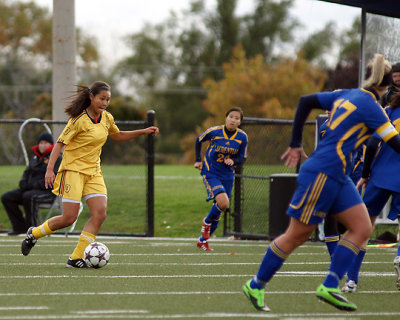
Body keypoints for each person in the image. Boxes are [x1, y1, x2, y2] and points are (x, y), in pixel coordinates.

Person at [242, 53, 400, 312]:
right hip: (323, 172)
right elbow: (394, 144)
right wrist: (294, 143)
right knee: (297, 234)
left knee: (361, 226)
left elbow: (305, 101)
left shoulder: (348, 94)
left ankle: (329, 284)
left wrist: (295, 141)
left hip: (338, 175)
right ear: (386, 85)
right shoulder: (373, 108)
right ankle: (256, 284)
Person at [20, 81, 159, 268]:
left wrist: (143, 131)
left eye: (108, 100)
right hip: (73, 172)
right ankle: (34, 234)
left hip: (94, 173)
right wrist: (49, 169)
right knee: (68, 218)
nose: (104, 103)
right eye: (102, 98)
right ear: (91, 97)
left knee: (100, 214)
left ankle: (76, 257)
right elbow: (59, 144)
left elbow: (117, 135)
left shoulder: (107, 118)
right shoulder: (78, 120)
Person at [342, 91, 400, 293]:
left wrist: (366, 174)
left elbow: (373, 143)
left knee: (363, 227)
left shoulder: (388, 112)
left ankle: (351, 280)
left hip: (380, 175)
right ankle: (399, 256)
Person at [194, 107, 248, 251]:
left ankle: (203, 240)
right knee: (223, 203)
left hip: (227, 175)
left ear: (240, 122)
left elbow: (242, 157)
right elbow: (199, 139)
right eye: (231, 116)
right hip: (211, 172)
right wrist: (198, 160)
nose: (233, 120)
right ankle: (206, 223)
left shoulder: (242, 137)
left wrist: (234, 161)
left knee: (219, 212)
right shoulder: (214, 131)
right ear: (226, 118)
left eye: (237, 118)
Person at [1, 132, 61, 235]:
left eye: (45, 143)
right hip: (30, 190)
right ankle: (19, 227)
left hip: (48, 193)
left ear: (51, 144)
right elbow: (26, 173)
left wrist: (33, 185)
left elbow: (53, 179)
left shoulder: (57, 158)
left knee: (29, 196)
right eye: (41, 143)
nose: (42, 145)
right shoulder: (35, 158)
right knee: (7, 197)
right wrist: (23, 183)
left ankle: (33, 231)